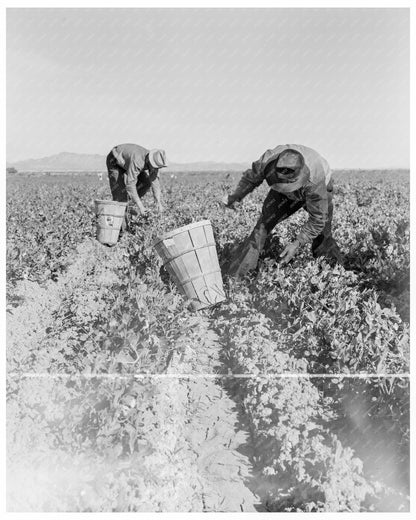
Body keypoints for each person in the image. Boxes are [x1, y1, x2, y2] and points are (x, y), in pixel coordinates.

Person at [222, 144, 343, 276]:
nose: (289, 190)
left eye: (291, 186)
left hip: (318, 188)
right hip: (281, 194)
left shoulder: (315, 179)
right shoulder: (266, 161)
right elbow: (250, 179)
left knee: (323, 233)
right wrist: (236, 196)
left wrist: (297, 243)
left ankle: (332, 273)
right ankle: (238, 278)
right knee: (261, 228)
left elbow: (318, 219)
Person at [106, 143, 167, 223]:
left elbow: (155, 182)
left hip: (128, 162)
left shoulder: (154, 161)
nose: (155, 169)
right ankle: (122, 230)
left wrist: (158, 202)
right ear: (150, 161)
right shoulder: (138, 161)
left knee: (146, 182)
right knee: (120, 198)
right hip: (115, 160)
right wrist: (140, 206)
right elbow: (130, 185)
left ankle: (130, 203)